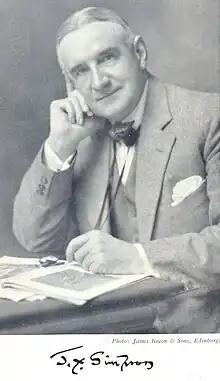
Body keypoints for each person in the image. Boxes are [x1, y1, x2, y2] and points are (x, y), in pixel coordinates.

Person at [13, 7, 220, 332]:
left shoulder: (209, 117)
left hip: (196, 340)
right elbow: (35, 240)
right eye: (81, 71)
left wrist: (138, 256)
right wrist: (59, 147)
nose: (99, 82)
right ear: (70, 84)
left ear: (139, 53)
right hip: (106, 336)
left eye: (108, 58)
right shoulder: (78, 137)